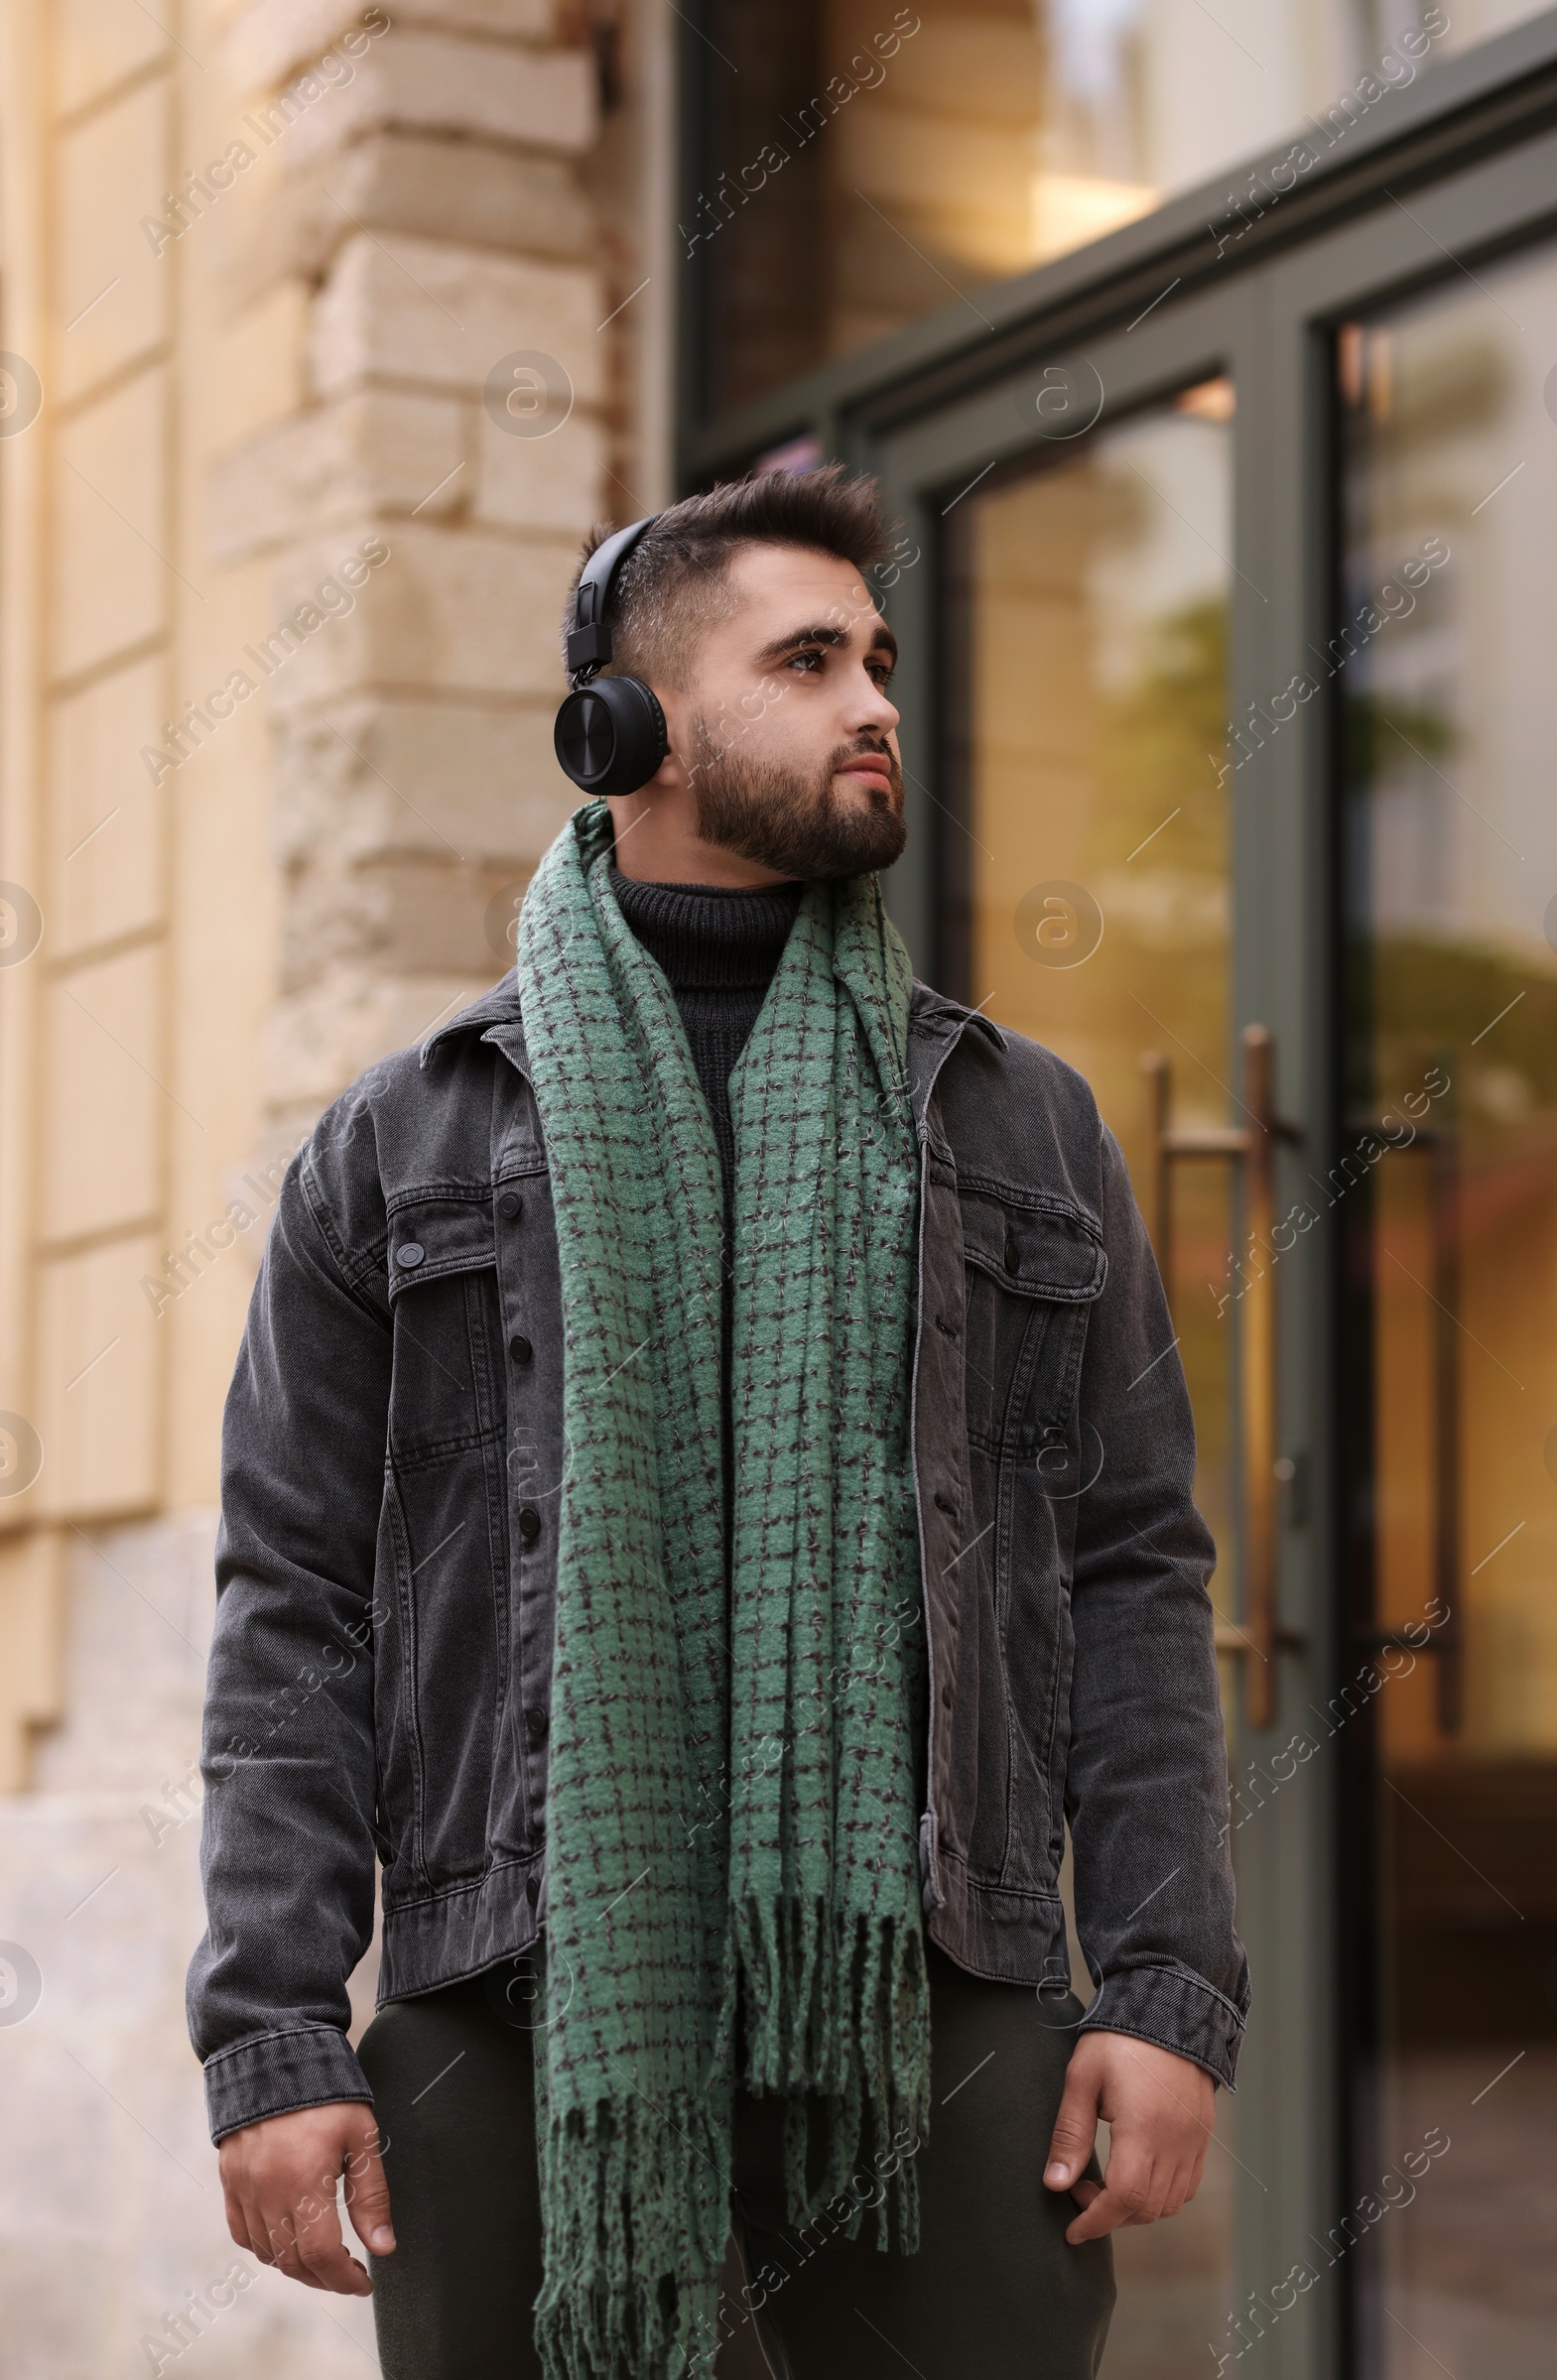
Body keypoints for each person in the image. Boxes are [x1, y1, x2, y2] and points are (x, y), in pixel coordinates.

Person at [190, 465, 1247, 2380]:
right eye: (811, 658)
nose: (877, 705)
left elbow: (1129, 1578)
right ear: (629, 729)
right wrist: (268, 2030)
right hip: (510, 1988)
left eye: (886, 661)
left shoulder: (1018, 1125)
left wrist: (1167, 1991)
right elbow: (294, 1601)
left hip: (932, 1978)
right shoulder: (402, 1141)